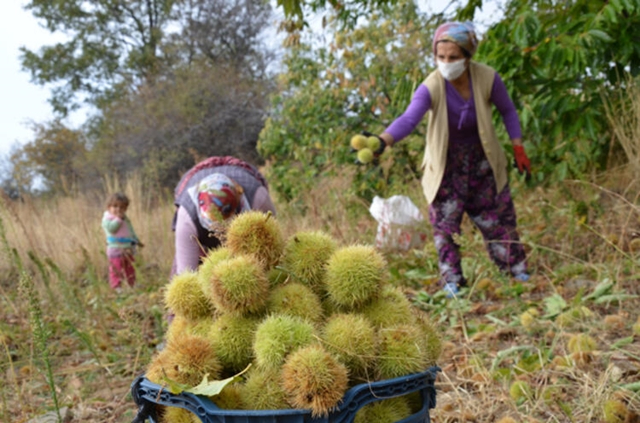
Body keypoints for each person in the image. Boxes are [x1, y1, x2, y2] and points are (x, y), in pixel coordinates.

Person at [373, 21, 531, 297]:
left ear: (468, 57)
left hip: (483, 162)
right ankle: (453, 281)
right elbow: (410, 118)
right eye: (441, 57)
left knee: (497, 219)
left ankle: (515, 270)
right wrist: (382, 140)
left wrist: (518, 147)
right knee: (445, 227)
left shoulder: (487, 78)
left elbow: (508, 111)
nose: (446, 63)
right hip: (447, 166)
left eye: (454, 57)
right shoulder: (431, 86)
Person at [171, 156, 277, 276]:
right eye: (216, 228)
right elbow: (185, 272)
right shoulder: (187, 217)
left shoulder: (258, 198)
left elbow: (273, 243)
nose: (223, 232)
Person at [102, 192, 144, 291]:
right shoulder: (107, 219)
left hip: (127, 247)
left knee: (130, 267)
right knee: (116, 268)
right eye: (115, 206)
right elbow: (112, 229)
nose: (118, 209)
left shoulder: (125, 219)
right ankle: (117, 286)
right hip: (115, 248)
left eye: (122, 207)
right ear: (109, 207)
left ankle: (132, 284)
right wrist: (118, 219)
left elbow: (130, 230)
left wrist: (136, 240)